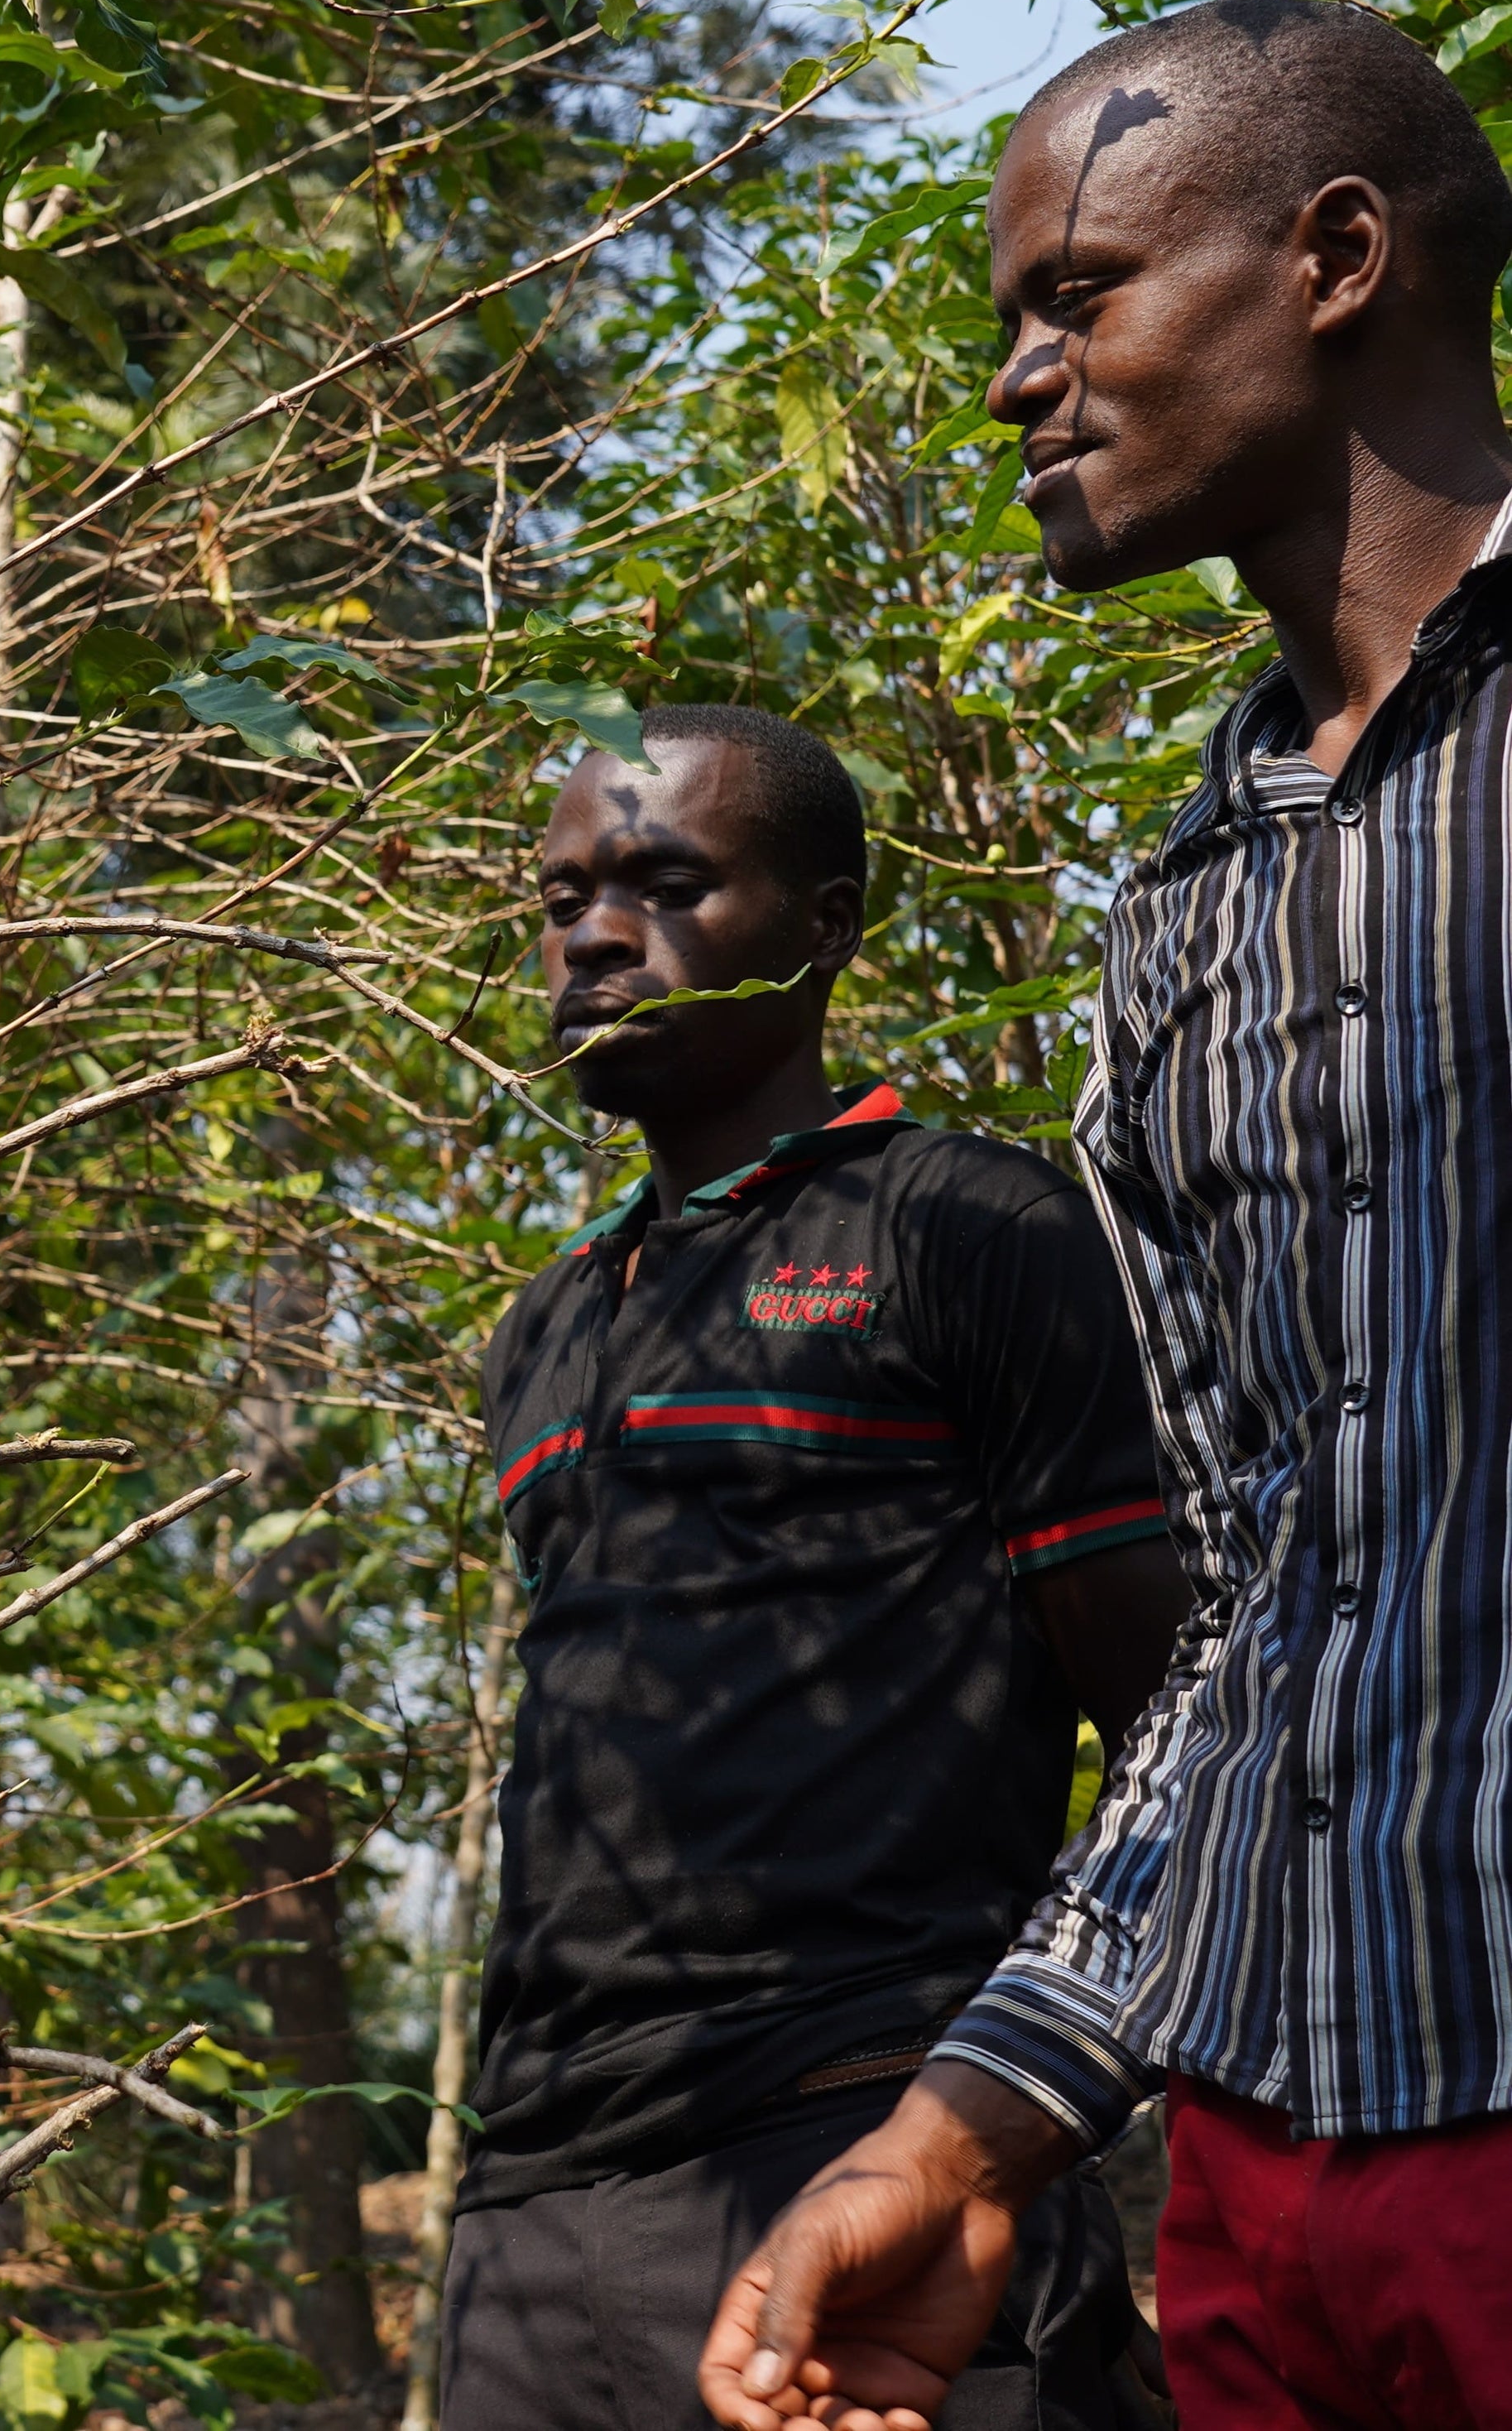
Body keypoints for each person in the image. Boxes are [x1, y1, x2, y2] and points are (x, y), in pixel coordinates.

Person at [698, 0, 1512, 2431]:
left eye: (1076, 295)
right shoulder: (1180, 916)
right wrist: (972, 2129)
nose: (1010, 381)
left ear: (1334, 255)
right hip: (1270, 2190)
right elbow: (1268, 1609)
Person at [443, 704, 1188, 2431]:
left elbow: (1175, 1720)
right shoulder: (547, 1325)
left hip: (865, 2136)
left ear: (827, 921)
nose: (594, 933)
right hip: (531, 2202)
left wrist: (1008, 2117)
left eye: (666, 881)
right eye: (560, 900)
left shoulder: (965, 1226)